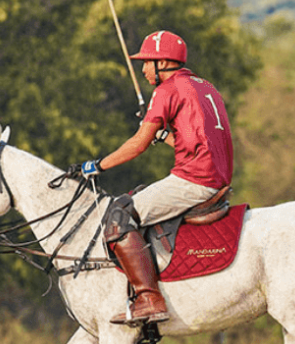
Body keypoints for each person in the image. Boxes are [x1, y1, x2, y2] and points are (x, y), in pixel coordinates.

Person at [72, 30, 235, 326]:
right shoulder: (204, 86)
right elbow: (192, 141)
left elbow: (138, 144)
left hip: (194, 179)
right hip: (217, 176)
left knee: (119, 214)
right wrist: (162, 132)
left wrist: (95, 166)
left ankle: (150, 298)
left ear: (163, 62)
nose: (144, 69)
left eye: (147, 62)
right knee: (138, 196)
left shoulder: (167, 90)